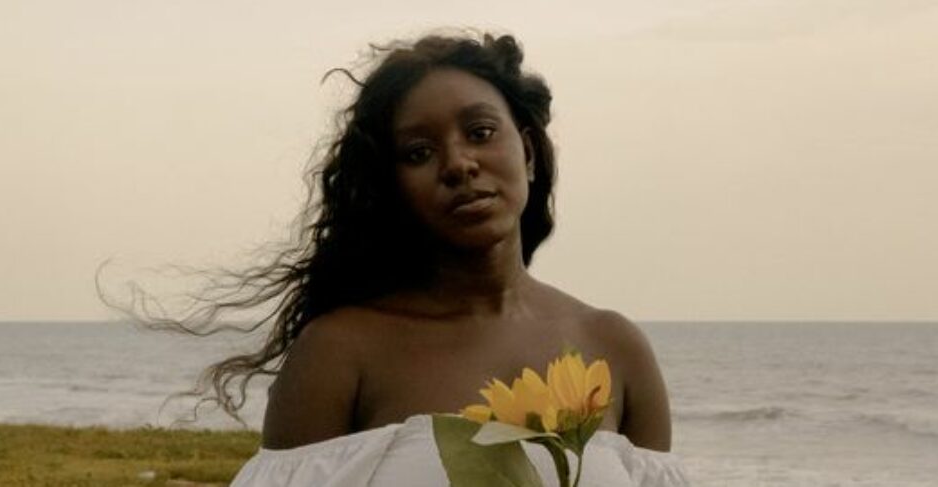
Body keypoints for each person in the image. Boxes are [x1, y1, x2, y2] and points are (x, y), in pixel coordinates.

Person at [162, 31, 689, 486]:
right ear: (393, 187)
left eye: (480, 133)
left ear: (527, 153)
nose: (459, 164)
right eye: (419, 152)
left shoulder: (614, 348)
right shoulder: (341, 353)